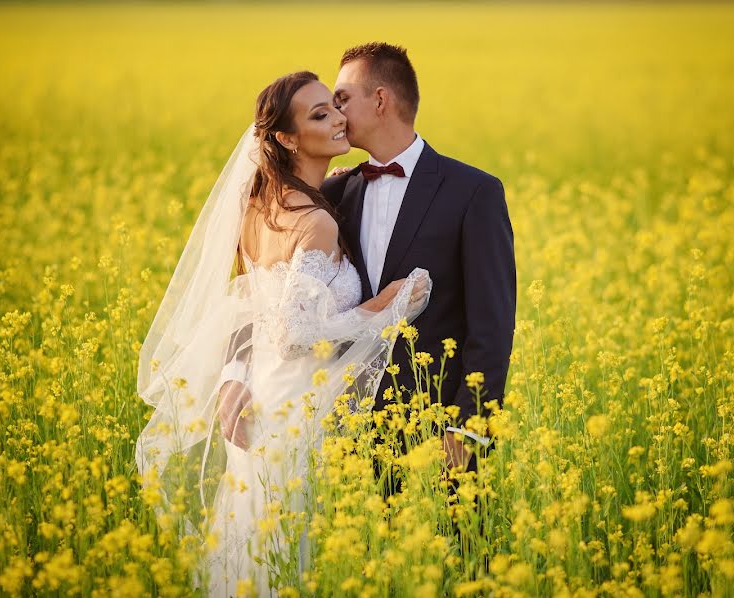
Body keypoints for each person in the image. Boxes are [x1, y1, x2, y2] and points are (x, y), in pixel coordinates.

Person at [135, 71, 430, 597]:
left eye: (335, 106)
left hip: (264, 402)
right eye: (320, 114)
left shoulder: (258, 209)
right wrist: (385, 309)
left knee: (256, 542)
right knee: (290, 553)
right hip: (296, 413)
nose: (339, 118)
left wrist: (234, 374)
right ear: (287, 139)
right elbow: (295, 334)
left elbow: (248, 308)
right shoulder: (315, 220)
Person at [323, 43, 516, 475]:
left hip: (439, 439)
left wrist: (470, 429)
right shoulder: (333, 194)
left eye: (342, 99)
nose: (335, 115)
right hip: (346, 438)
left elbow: (493, 326)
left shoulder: (473, 192)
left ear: (380, 100)